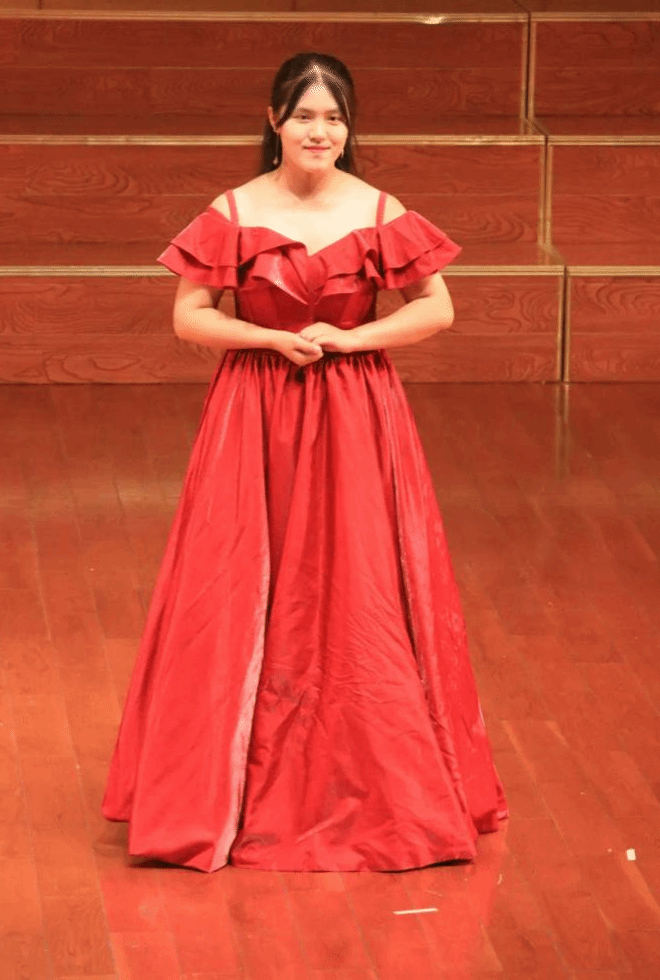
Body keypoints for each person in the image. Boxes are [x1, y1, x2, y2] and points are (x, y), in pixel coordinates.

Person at [101, 51, 508, 873]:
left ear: (348, 127)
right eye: (304, 116)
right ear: (274, 120)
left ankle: (372, 779)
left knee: (359, 581)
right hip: (254, 409)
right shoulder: (233, 210)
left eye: (334, 118)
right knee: (236, 581)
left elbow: (437, 307)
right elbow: (189, 316)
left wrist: (353, 339)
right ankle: (218, 791)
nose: (319, 131)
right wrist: (266, 339)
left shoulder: (382, 210)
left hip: (357, 411)